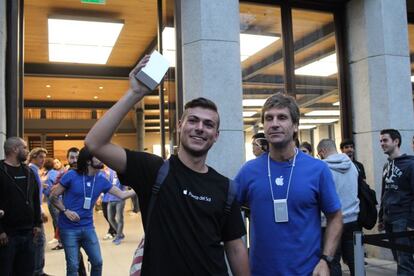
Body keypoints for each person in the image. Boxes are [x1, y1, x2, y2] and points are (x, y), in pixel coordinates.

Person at [84, 55, 249, 276]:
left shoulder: (226, 188)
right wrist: (135, 93)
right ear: (180, 126)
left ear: (216, 136)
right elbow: (95, 143)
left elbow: (235, 247)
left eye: (208, 124)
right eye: (193, 120)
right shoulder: (152, 171)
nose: (200, 128)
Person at [235, 93, 342, 276]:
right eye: (269, 118)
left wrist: (326, 260)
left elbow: (335, 217)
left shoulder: (317, 169)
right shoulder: (248, 171)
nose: (274, 123)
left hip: (307, 272)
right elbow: (225, 210)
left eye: (282, 117)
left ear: (295, 126)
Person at [50, 147, 136, 276]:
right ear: (89, 161)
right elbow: (53, 197)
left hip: (88, 227)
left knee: (97, 262)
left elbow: (122, 195)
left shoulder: (101, 180)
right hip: (68, 229)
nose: (102, 159)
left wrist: (141, 187)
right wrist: (65, 210)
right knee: (73, 266)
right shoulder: (71, 175)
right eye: (98, 157)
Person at [317, 139, 360, 276]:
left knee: (332, 262)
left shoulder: (322, 168)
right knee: (356, 262)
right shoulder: (352, 165)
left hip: (329, 223)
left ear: (322, 152)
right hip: (353, 220)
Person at [0, 137, 42, 276]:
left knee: (26, 271)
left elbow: (35, 198)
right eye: (24, 147)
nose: (27, 151)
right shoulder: (1, 171)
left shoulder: (28, 172)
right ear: (14, 149)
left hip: (28, 233)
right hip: (7, 235)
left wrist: (37, 223)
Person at [378, 129, 414, 275]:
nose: (381, 144)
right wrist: (381, 217)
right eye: (380, 141)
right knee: (398, 260)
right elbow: (384, 192)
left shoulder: (410, 165)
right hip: (389, 219)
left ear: (396, 141)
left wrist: (412, 223)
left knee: (405, 262)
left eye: (385, 140)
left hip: (403, 220)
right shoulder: (386, 166)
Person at [28, 147, 50, 276]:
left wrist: (43, 184)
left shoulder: (34, 170)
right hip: (35, 211)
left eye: (44, 157)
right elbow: (34, 195)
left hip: (34, 209)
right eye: (41, 157)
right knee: (39, 240)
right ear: (34, 157)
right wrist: (41, 211)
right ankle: (37, 271)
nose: (43, 160)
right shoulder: (32, 170)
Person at [43, 158, 63, 250]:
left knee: (57, 220)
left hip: (53, 200)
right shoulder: (55, 173)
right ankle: (58, 238)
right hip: (58, 199)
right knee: (58, 220)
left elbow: (50, 190)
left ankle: (61, 242)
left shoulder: (49, 175)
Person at [105, 168, 126, 245]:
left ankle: (118, 236)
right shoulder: (109, 170)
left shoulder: (122, 170)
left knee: (120, 218)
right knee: (110, 218)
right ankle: (120, 233)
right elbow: (108, 183)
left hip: (120, 199)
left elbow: (125, 183)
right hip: (111, 198)